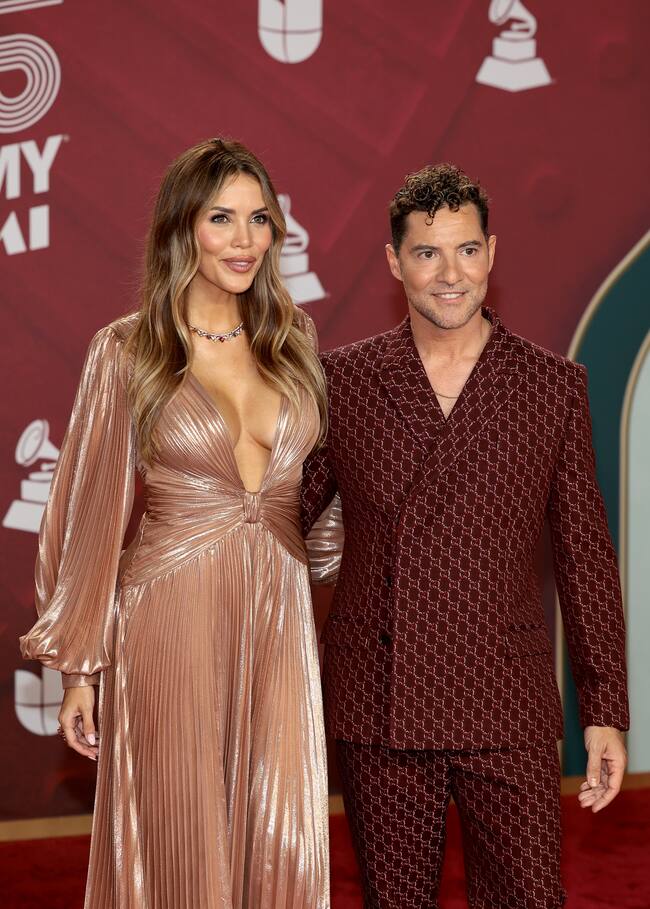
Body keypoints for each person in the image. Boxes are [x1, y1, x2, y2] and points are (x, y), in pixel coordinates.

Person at [301, 163, 629, 909]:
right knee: (397, 900)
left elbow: (585, 557)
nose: (450, 274)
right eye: (426, 253)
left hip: (505, 696)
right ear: (394, 261)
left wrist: (606, 708)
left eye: (467, 250)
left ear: (492, 252)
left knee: (528, 897)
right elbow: (281, 527)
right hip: (380, 694)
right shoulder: (344, 380)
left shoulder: (551, 385)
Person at [20, 137, 331, 909]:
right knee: (179, 833)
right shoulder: (128, 349)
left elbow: (322, 507)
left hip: (279, 619)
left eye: (259, 218)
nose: (244, 238)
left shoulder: (294, 345)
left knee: (281, 829)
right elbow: (88, 513)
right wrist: (80, 668)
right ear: (181, 228)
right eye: (221, 217)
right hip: (170, 617)